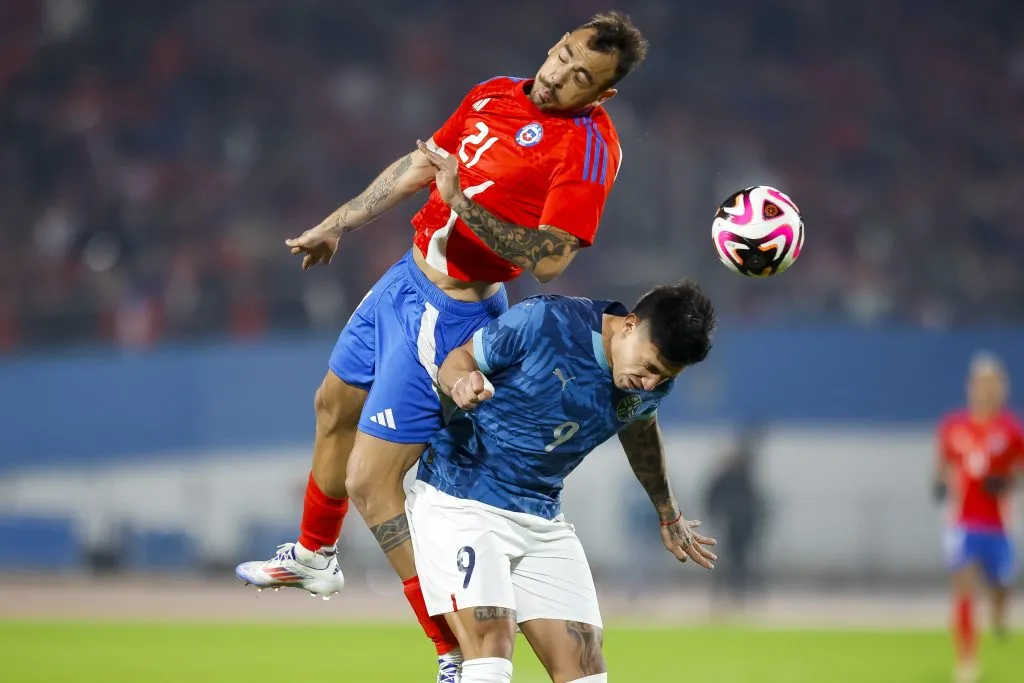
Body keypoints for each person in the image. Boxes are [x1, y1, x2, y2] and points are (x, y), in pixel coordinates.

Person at [235, 10, 649, 681]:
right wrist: (336, 223)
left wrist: (466, 205)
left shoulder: (588, 147)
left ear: (602, 95)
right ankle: (315, 555)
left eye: (581, 79)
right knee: (332, 405)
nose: (558, 79)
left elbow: (550, 260)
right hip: (403, 281)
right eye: (562, 57)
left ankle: (450, 648)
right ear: (552, 44)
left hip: (453, 313)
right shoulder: (493, 92)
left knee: (373, 482)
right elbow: (423, 167)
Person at [406, 281, 718, 683]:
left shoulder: (653, 383)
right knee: (491, 651)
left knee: (585, 668)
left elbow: (640, 433)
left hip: (541, 516)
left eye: (665, 377)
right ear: (629, 325)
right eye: (651, 367)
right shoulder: (547, 321)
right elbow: (459, 358)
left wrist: (667, 510)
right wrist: (462, 382)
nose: (652, 383)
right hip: (462, 499)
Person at [934, 352, 1023, 683]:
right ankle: (966, 660)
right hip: (963, 522)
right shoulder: (953, 425)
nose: (987, 390)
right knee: (963, 584)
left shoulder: (1012, 429)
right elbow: (942, 462)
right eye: (982, 384)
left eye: (994, 384)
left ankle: (1000, 615)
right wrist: (939, 483)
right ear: (971, 387)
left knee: (999, 586)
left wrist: (1009, 482)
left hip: (998, 524)